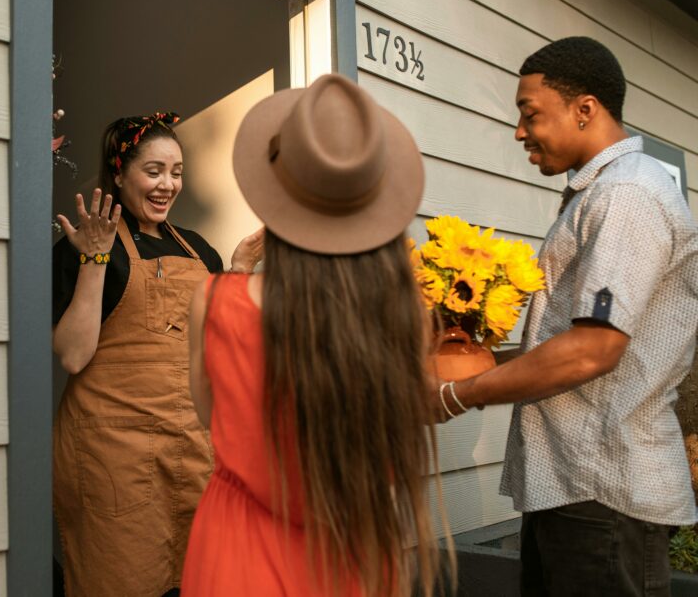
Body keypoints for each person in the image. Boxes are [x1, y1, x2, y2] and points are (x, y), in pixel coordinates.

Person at [439, 37, 698, 596]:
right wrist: (469, 359)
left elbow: (593, 350)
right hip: (574, 488)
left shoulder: (627, 195)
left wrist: (459, 394)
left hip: (604, 493)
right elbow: (573, 340)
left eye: (529, 113)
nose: (518, 132)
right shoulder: (600, 194)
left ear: (585, 109)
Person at [181, 74, 450, 596]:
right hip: (359, 555)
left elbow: (213, 418)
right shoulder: (405, 315)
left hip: (238, 556)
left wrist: (238, 277)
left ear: (274, 196)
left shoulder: (216, 303)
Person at [52, 112, 263, 597]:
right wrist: (95, 259)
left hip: (190, 451)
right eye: (154, 171)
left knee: (201, 581)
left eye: (177, 172)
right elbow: (71, 356)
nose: (168, 184)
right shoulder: (83, 247)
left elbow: (222, 348)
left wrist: (237, 270)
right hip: (113, 459)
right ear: (119, 173)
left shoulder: (200, 252)